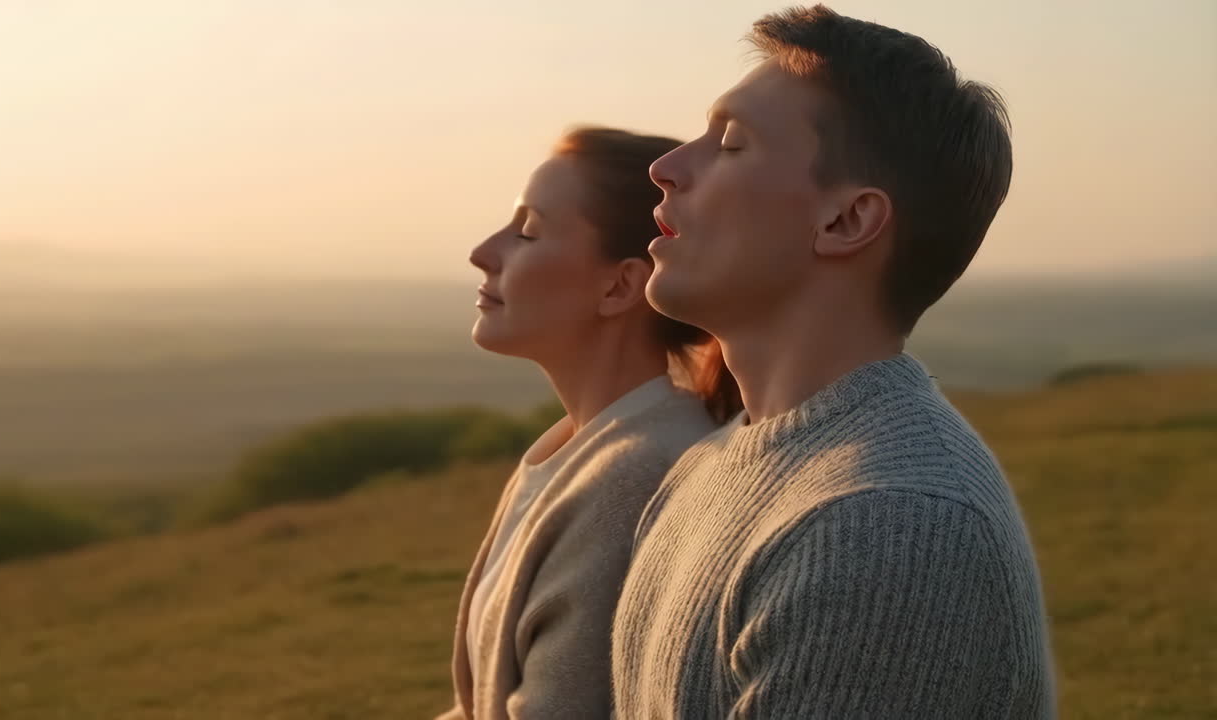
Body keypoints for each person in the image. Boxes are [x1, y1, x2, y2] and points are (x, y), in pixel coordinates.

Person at [611, 6, 1056, 718]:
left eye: (729, 143)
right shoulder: (710, 467)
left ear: (846, 221)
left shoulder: (891, 527)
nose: (665, 169)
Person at [435, 127, 739, 720]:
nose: (483, 251)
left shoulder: (638, 478)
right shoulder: (583, 448)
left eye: (527, 231)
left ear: (620, 284)